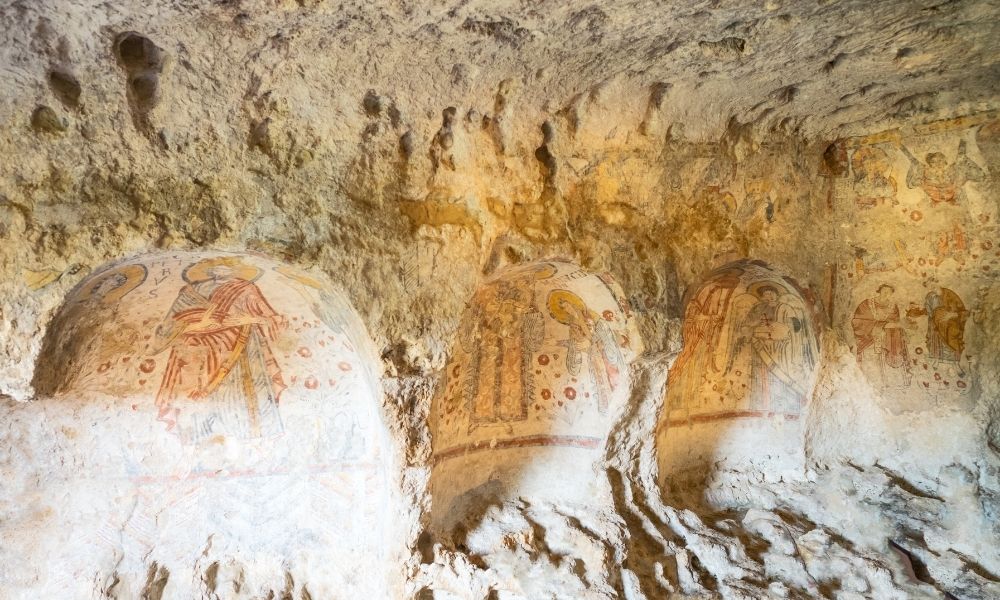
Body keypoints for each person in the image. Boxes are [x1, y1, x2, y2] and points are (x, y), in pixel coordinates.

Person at [152, 257, 287, 443]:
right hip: (197, 349)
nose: (220, 271)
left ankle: (245, 435)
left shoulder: (246, 288)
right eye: (215, 268)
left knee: (234, 391)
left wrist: (268, 319)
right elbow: (172, 323)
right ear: (208, 271)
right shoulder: (192, 290)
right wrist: (199, 324)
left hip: (236, 347)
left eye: (225, 267)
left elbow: (268, 314)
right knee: (195, 392)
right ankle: (197, 436)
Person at [727, 285, 815, 412]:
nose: (769, 295)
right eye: (766, 293)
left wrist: (783, 328)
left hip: (781, 349)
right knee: (761, 378)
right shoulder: (757, 309)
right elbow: (745, 326)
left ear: (776, 294)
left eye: (771, 292)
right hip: (760, 348)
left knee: (781, 375)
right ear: (762, 296)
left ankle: (786, 408)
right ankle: (761, 407)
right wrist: (753, 329)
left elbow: (796, 327)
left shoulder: (785, 308)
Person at [852, 284, 911, 389]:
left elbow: (895, 322)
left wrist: (892, 326)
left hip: (889, 338)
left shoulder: (893, 306)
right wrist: (879, 326)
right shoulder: (866, 304)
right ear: (879, 291)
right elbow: (858, 321)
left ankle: (895, 379)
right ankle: (874, 383)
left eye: (889, 292)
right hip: (870, 338)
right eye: (884, 291)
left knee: (898, 336)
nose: (886, 293)